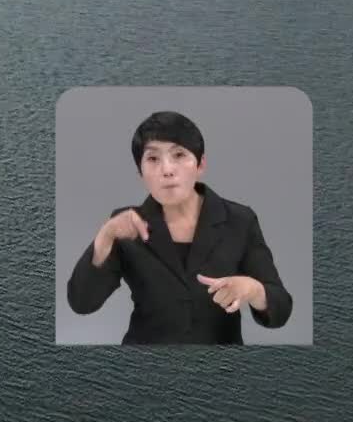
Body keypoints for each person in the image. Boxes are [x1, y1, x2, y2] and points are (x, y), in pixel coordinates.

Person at [66, 110, 293, 343]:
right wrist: (104, 237)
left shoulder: (239, 220)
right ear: (140, 172)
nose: (167, 170)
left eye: (179, 154)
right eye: (153, 159)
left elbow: (281, 309)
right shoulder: (125, 225)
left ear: (200, 164)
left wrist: (253, 290)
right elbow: (82, 303)